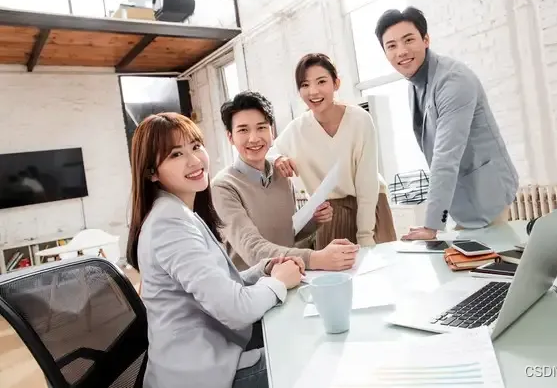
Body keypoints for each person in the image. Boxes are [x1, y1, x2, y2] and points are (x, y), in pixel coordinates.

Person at [125, 112, 304, 388]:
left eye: (196, 146)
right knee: (310, 357)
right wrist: (278, 282)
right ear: (151, 172)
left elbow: (219, 286)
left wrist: (264, 270)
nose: (195, 161)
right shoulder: (168, 225)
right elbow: (235, 309)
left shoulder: (179, 211)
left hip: (215, 353)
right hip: (203, 376)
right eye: (176, 154)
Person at [374, 6, 519, 240]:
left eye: (408, 40)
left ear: (426, 40)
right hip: (463, 199)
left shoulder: (453, 80)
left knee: (494, 259)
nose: (401, 51)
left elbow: (445, 155)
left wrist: (431, 225)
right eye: (391, 46)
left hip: (487, 193)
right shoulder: (415, 83)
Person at [212, 91, 360, 272]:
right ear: (230, 137)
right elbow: (252, 250)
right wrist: (316, 258)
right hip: (253, 285)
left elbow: (287, 235)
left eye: (261, 127)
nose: (254, 138)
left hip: (291, 276)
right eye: (243, 130)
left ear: (272, 131)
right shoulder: (223, 186)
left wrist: (314, 221)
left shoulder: (281, 175)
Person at [272, 53, 397, 249]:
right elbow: (269, 154)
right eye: (305, 85)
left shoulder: (360, 120)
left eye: (321, 81)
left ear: (336, 83)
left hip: (370, 205)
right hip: (330, 214)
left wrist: (365, 234)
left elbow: (367, 182)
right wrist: (277, 158)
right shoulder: (297, 129)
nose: (313, 91)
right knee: (337, 268)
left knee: (377, 264)